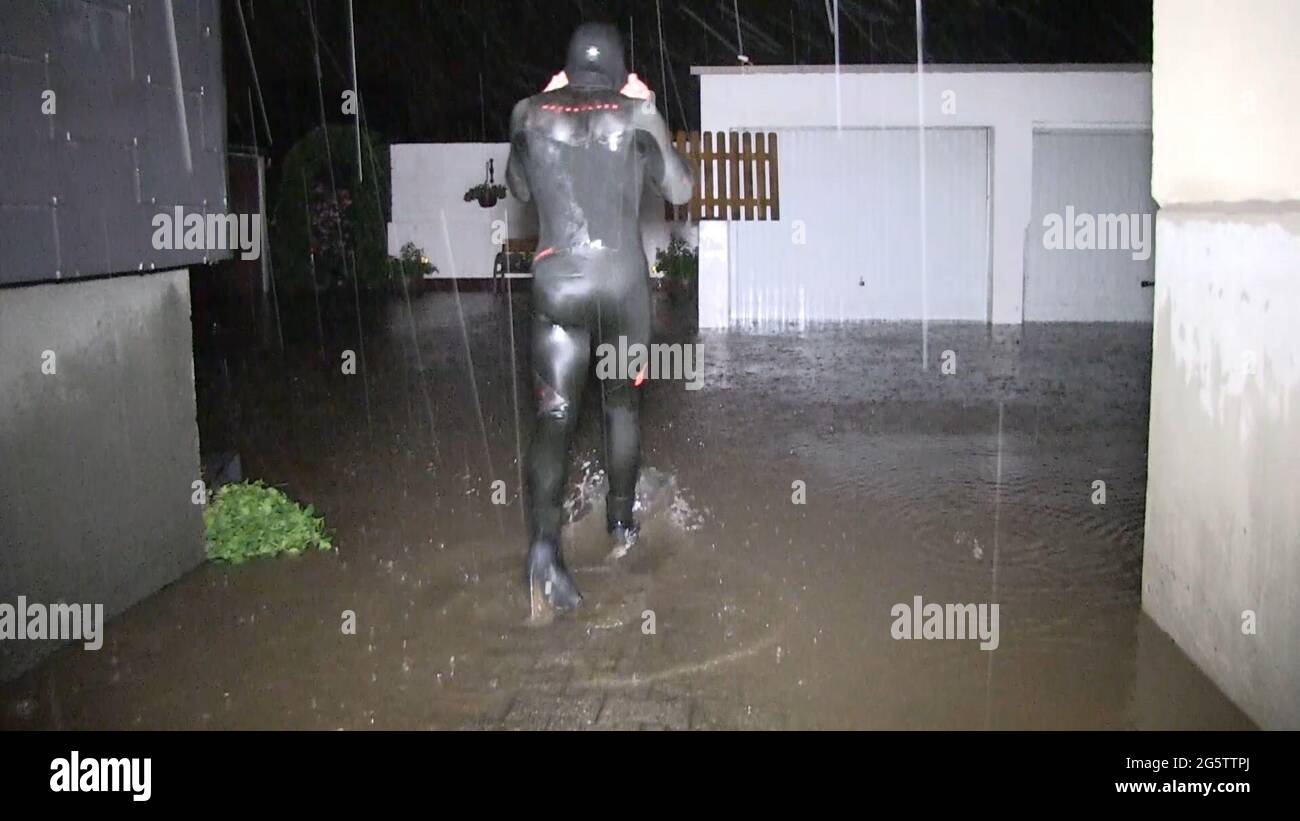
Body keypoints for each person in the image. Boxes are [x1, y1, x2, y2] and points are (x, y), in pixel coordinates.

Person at [505, 21, 693, 620]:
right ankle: (621, 525)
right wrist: (650, 109)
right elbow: (681, 189)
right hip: (622, 289)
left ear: (566, 68)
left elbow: (518, 188)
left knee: (554, 414)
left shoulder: (527, 113)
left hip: (556, 285)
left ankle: (543, 553)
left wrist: (545, 105)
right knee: (620, 406)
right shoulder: (636, 114)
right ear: (618, 68)